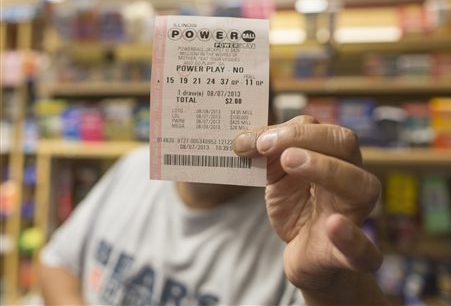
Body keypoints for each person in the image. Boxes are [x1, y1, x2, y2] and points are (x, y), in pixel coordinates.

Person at [39, 115, 388, 305]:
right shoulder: (134, 165)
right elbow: (57, 261)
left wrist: (330, 286)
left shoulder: (299, 227)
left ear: (271, 125)